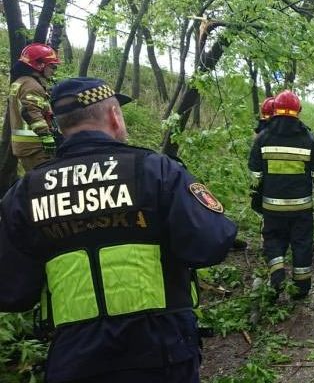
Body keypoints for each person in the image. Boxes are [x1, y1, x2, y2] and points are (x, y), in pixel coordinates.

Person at [0, 77, 238, 383]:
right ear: (114, 116)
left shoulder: (26, 193)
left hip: (75, 360)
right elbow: (212, 242)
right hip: (162, 353)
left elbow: (10, 292)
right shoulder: (156, 171)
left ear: (60, 126)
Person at [248, 90, 314, 299]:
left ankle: (277, 279)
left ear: (274, 111)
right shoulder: (307, 138)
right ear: (298, 112)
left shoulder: (262, 138)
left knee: (273, 240)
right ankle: (300, 290)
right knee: (302, 244)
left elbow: (255, 174)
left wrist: (256, 200)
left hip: (272, 207)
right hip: (301, 208)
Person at [7, 43, 60, 171]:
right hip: (36, 146)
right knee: (44, 186)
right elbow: (31, 111)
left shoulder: (20, 82)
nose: (54, 71)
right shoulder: (32, 86)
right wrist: (46, 136)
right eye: (52, 66)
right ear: (40, 64)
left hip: (26, 145)